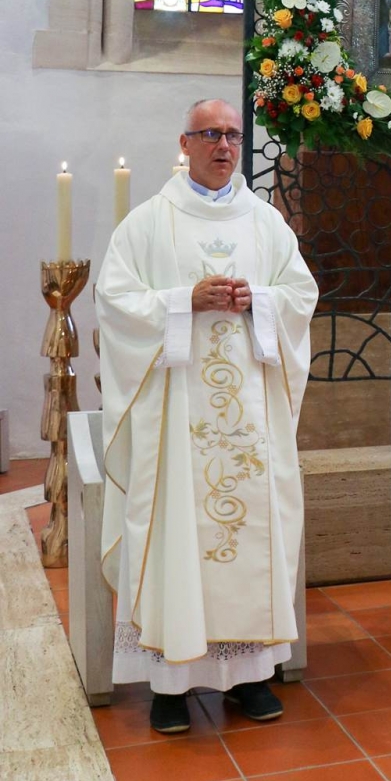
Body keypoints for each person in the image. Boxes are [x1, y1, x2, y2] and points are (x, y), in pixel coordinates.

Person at [96, 98, 318, 733]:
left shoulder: (267, 224)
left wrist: (261, 302)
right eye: (210, 134)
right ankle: (170, 684)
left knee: (252, 536)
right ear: (185, 143)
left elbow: (302, 293)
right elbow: (115, 302)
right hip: (175, 420)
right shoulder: (146, 224)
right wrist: (180, 302)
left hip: (252, 416)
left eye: (232, 135)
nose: (223, 145)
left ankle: (249, 679)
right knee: (176, 536)